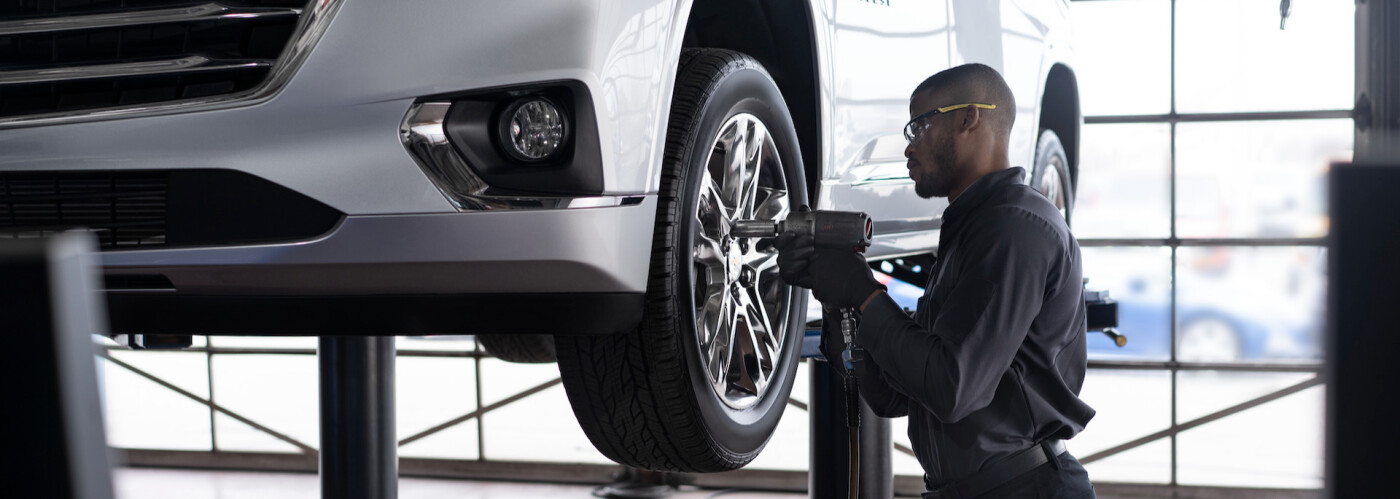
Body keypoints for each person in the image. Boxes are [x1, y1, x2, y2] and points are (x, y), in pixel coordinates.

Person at [777, 63, 1096, 498]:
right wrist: (836, 302)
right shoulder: (970, 230)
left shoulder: (1014, 229)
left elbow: (951, 387)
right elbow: (893, 397)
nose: (908, 148)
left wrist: (864, 292)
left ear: (969, 117)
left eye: (919, 127)